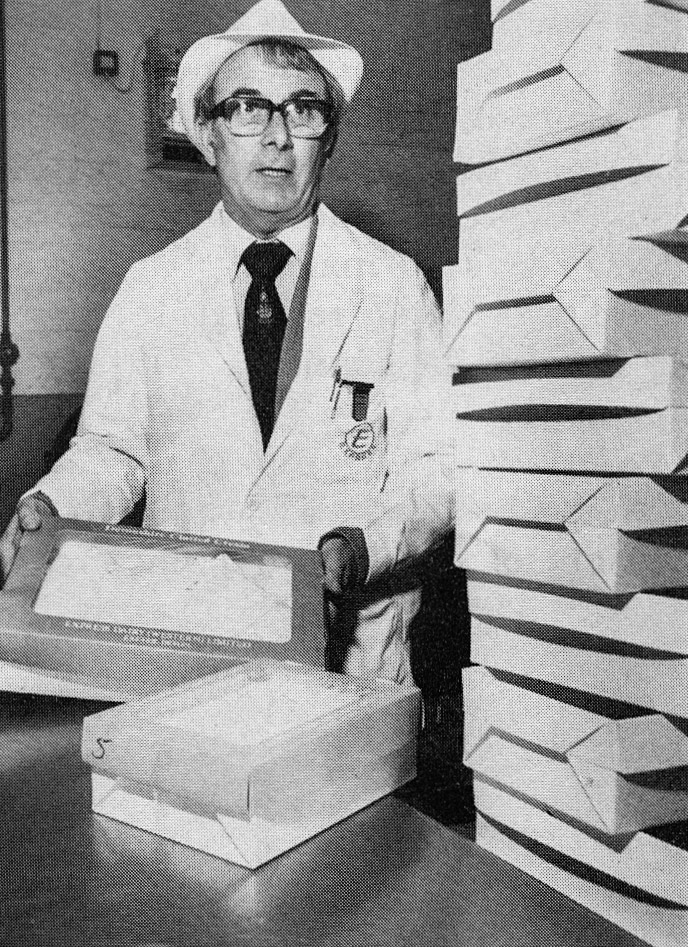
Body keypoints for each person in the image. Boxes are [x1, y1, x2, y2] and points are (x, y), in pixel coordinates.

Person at [0, 0, 453, 682]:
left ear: (329, 138)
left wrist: (365, 548)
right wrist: (52, 505)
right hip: (189, 646)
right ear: (209, 135)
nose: (277, 136)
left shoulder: (394, 286)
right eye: (246, 108)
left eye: (304, 109)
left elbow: (437, 467)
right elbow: (112, 452)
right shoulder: (151, 287)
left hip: (351, 664)